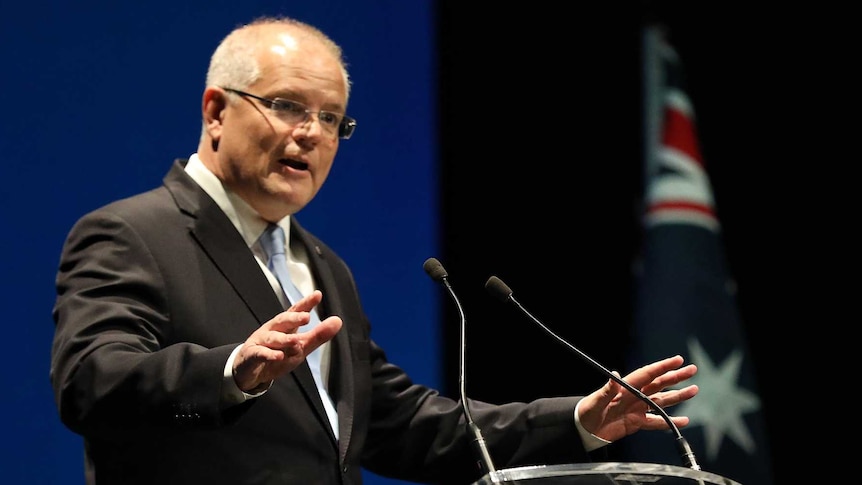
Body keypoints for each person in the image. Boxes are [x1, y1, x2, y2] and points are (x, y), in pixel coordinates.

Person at [50, 15, 699, 485]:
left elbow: (404, 424)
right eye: (286, 106)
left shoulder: (323, 267)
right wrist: (230, 372)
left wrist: (579, 419)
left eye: (331, 118)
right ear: (216, 111)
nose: (310, 134)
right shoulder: (132, 233)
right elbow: (91, 381)